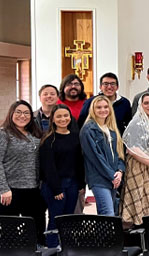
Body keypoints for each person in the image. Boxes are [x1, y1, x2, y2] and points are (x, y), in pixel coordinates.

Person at [0, 100, 46, 245]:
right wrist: (3, 189)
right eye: (18, 112)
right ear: (11, 114)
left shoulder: (35, 134)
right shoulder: (4, 134)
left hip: (34, 189)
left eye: (26, 113)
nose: (22, 116)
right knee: (10, 231)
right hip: (11, 191)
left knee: (36, 228)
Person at [39, 104, 85, 247]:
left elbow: (79, 163)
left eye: (66, 116)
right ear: (52, 119)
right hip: (54, 186)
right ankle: (52, 247)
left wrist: (81, 185)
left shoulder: (76, 137)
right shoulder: (48, 140)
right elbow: (48, 168)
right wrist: (56, 189)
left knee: (68, 218)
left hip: (72, 184)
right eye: (59, 116)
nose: (63, 119)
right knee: (56, 218)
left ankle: (65, 247)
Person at [120, 93, 149, 227]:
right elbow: (132, 149)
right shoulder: (136, 123)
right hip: (140, 166)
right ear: (140, 105)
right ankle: (141, 235)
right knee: (142, 200)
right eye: (146, 103)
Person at [79, 95, 126, 216]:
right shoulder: (88, 129)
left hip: (114, 177)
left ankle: (103, 235)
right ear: (92, 110)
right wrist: (112, 175)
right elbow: (95, 157)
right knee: (108, 213)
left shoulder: (112, 129)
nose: (102, 110)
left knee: (110, 215)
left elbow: (120, 153)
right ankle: (108, 235)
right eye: (98, 107)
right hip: (99, 178)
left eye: (106, 107)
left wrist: (120, 171)